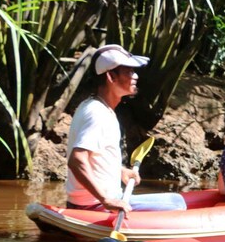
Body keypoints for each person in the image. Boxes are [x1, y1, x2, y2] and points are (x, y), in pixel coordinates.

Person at [65, 44, 186, 213]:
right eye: (129, 71)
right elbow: (77, 160)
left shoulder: (96, 107)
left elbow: (94, 158)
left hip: (100, 201)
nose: (135, 76)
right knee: (178, 205)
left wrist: (120, 171)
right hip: (94, 206)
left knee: (177, 198)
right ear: (110, 76)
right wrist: (106, 200)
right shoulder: (97, 113)